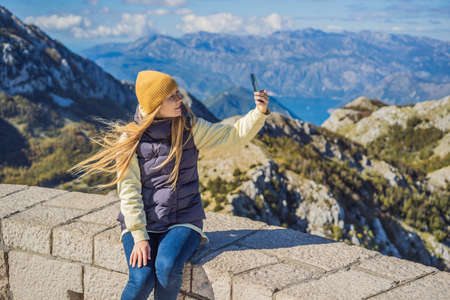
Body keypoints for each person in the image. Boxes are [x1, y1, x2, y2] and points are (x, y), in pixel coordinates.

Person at [69, 70, 270, 300]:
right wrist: (140, 237)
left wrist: (259, 113)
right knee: (142, 278)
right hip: (141, 223)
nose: (179, 100)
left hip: (183, 219)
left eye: (177, 93)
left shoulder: (190, 127)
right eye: (172, 96)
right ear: (155, 105)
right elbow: (129, 192)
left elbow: (232, 136)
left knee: (166, 267)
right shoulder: (130, 140)